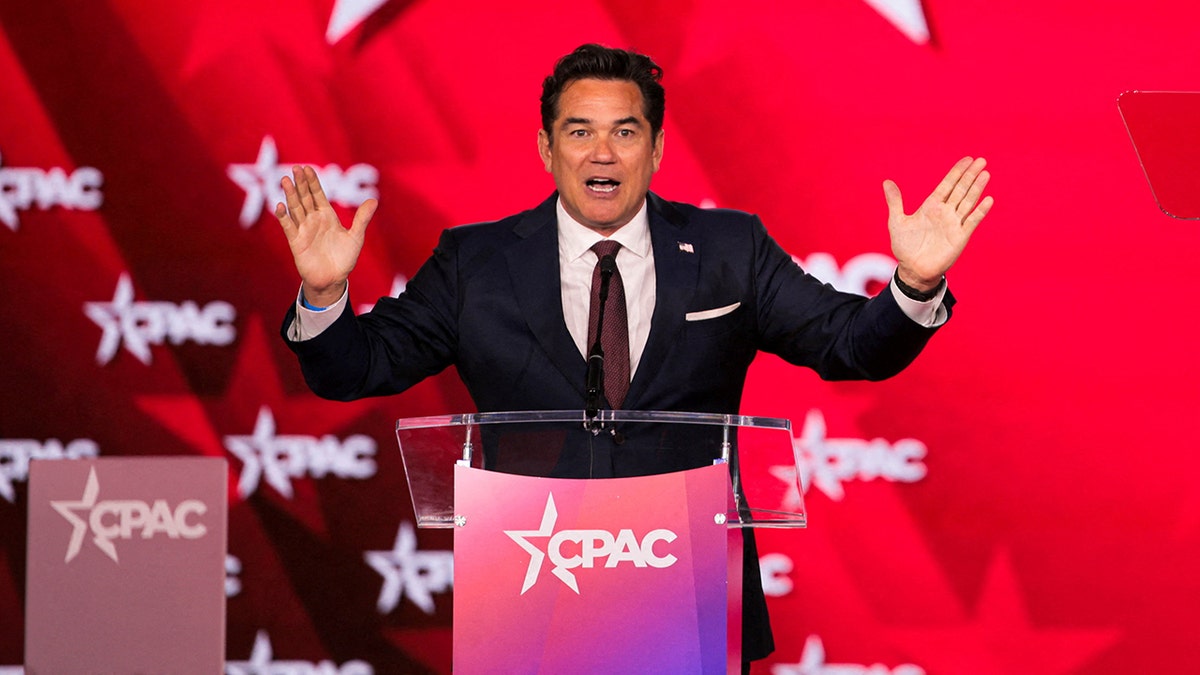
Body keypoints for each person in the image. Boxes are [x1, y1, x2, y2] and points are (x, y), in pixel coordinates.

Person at [276, 44, 992, 667]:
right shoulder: (476, 262)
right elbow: (356, 368)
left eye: (625, 131)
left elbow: (850, 345)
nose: (602, 152)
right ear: (546, 148)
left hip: (689, 598)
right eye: (578, 131)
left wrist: (914, 285)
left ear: (656, 149)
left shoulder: (729, 249)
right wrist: (324, 293)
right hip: (529, 600)